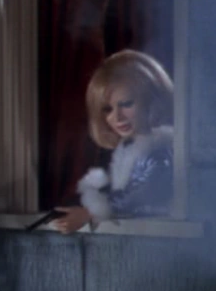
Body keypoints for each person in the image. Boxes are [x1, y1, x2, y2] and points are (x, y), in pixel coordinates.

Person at [52, 49, 174, 234]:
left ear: (150, 100)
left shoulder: (161, 149)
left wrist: (90, 212)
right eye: (107, 109)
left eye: (126, 104)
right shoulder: (127, 151)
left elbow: (142, 196)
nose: (117, 117)